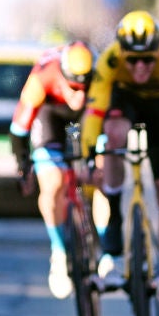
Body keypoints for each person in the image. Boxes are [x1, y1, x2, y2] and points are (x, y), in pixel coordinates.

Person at [80, 10, 159, 316]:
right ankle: (115, 208)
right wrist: (91, 155)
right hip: (126, 99)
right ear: (121, 52)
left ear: (158, 52)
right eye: (132, 60)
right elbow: (93, 115)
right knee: (114, 133)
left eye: (147, 60)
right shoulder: (109, 60)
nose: (140, 67)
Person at [9, 40, 96, 299]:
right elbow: (19, 130)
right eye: (74, 88)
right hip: (50, 112)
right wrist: (24, 165)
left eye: (85, 86)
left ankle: (105, 245)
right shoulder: (43, 77)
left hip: (89, 116)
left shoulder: (98, 75)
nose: (79, 95)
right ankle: (59, 252)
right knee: (53, 180)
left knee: (102, 170)